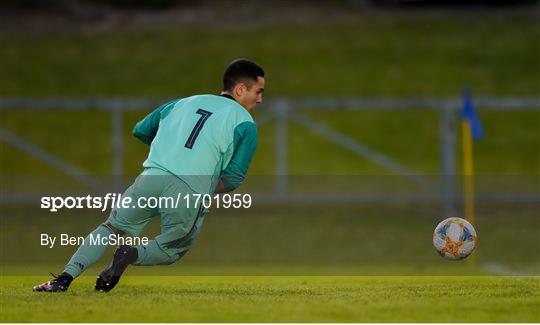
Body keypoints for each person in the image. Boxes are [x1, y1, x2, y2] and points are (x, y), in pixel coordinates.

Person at [33, 58, 265, 292]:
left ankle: (63, 279)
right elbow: (234, 178)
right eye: (258, 91)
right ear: (240, 89)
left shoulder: (182, 103)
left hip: (151, 177)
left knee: (110, 228)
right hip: (189, 188)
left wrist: (169, 152)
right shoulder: (245, 123)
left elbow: (141, 129)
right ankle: (130, 254)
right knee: (173, 248)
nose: (260, 99)